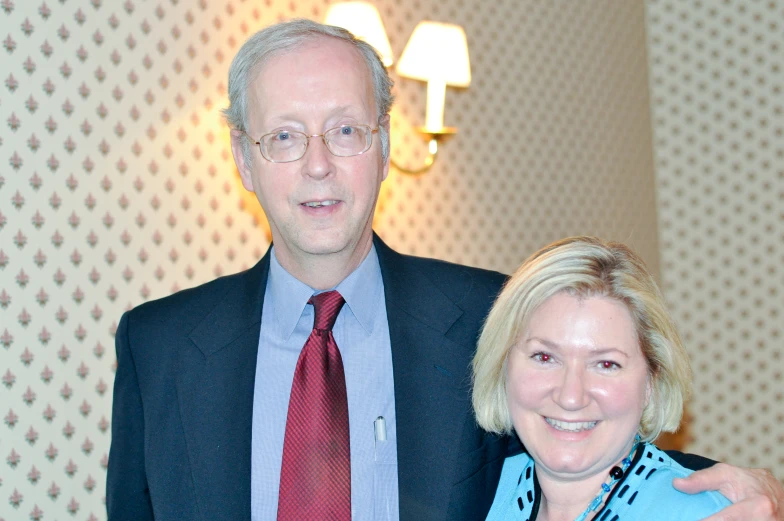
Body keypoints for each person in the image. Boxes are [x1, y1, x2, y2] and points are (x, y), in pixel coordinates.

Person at [106, 19, 783, 521]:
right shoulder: (157, 343)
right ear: (244, 159)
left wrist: (747, 491)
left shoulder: (492, 314)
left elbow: (585, 439)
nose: (318, 165)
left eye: (345, 131)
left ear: (385, 144)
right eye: (284, 136)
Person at [473, 236, 734, 520]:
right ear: (502, 364)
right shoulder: (472, 492)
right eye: (545, 357)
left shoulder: (706, 513)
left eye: (606, 364)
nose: (571, 397)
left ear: (650, 383)